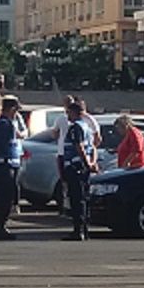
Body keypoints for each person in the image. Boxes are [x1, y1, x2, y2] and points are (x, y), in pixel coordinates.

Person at [60, 101, 97, 241]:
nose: (67, 115)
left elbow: (79, 147)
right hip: (82, 168)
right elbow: (92, 147)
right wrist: (92, 163)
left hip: (75, 167)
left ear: (75, 113)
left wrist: (87, 164)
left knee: (77, 199)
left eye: (69, 112)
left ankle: (78, 231)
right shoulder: (86, 127)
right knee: (83, 199)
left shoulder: (76, 127)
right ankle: (84, 230)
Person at [0, 96, 22, 240]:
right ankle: (0, 227)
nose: (17, 113)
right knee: (4, 198)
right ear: (11, 109)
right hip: (4, 165)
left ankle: (1, 226)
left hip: (8, 164)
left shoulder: (5, 123)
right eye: (16, 110)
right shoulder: (4, 125)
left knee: (6, 197)